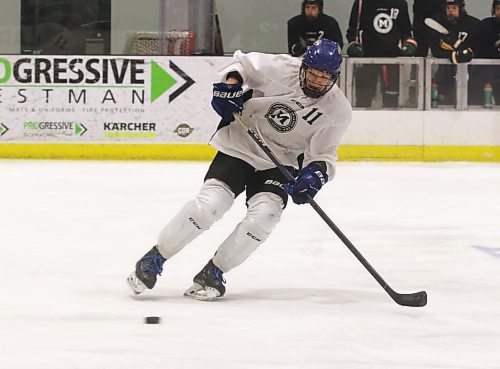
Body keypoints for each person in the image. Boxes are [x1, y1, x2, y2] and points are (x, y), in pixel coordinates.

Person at [127, 39, 352, 301]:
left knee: (265, 216)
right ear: (303, 67)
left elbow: (323, 155)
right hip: (241, 143)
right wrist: (229, 87)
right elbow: (241, 64)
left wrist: (314, 177)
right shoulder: (282, 68)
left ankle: (214, 272)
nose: (317, 81)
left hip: (280, 162)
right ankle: (154, 257)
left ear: (335, 77)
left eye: (325, 77)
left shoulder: (338, 111)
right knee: (209, 206)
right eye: (313, 73)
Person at [346, 0, 416, 108]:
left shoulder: (400, 3)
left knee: (391, 100)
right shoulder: (361, 2)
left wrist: (409, 44)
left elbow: (406, 31)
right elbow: (352, 31)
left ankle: (392, 124)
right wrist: (352, 45)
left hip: (391, 60)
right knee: (363, 100)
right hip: (366, 59)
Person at [426, 0, 481, 106]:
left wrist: (469, 52)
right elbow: (436, 49)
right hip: (444, 72)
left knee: (471, 100)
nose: (451, 11)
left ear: (461, 8)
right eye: (448, 8)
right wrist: (453, 55)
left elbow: (478, 46)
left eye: (454, 8)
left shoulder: (474, 24)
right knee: (443, 100)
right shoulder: (437, 22)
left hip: (470, 71)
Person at [472, 0, 500, 106]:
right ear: (493, 10)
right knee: (478, 100)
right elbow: (478, 50)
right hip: (486, 70)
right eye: (498, 9)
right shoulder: (485, 25)